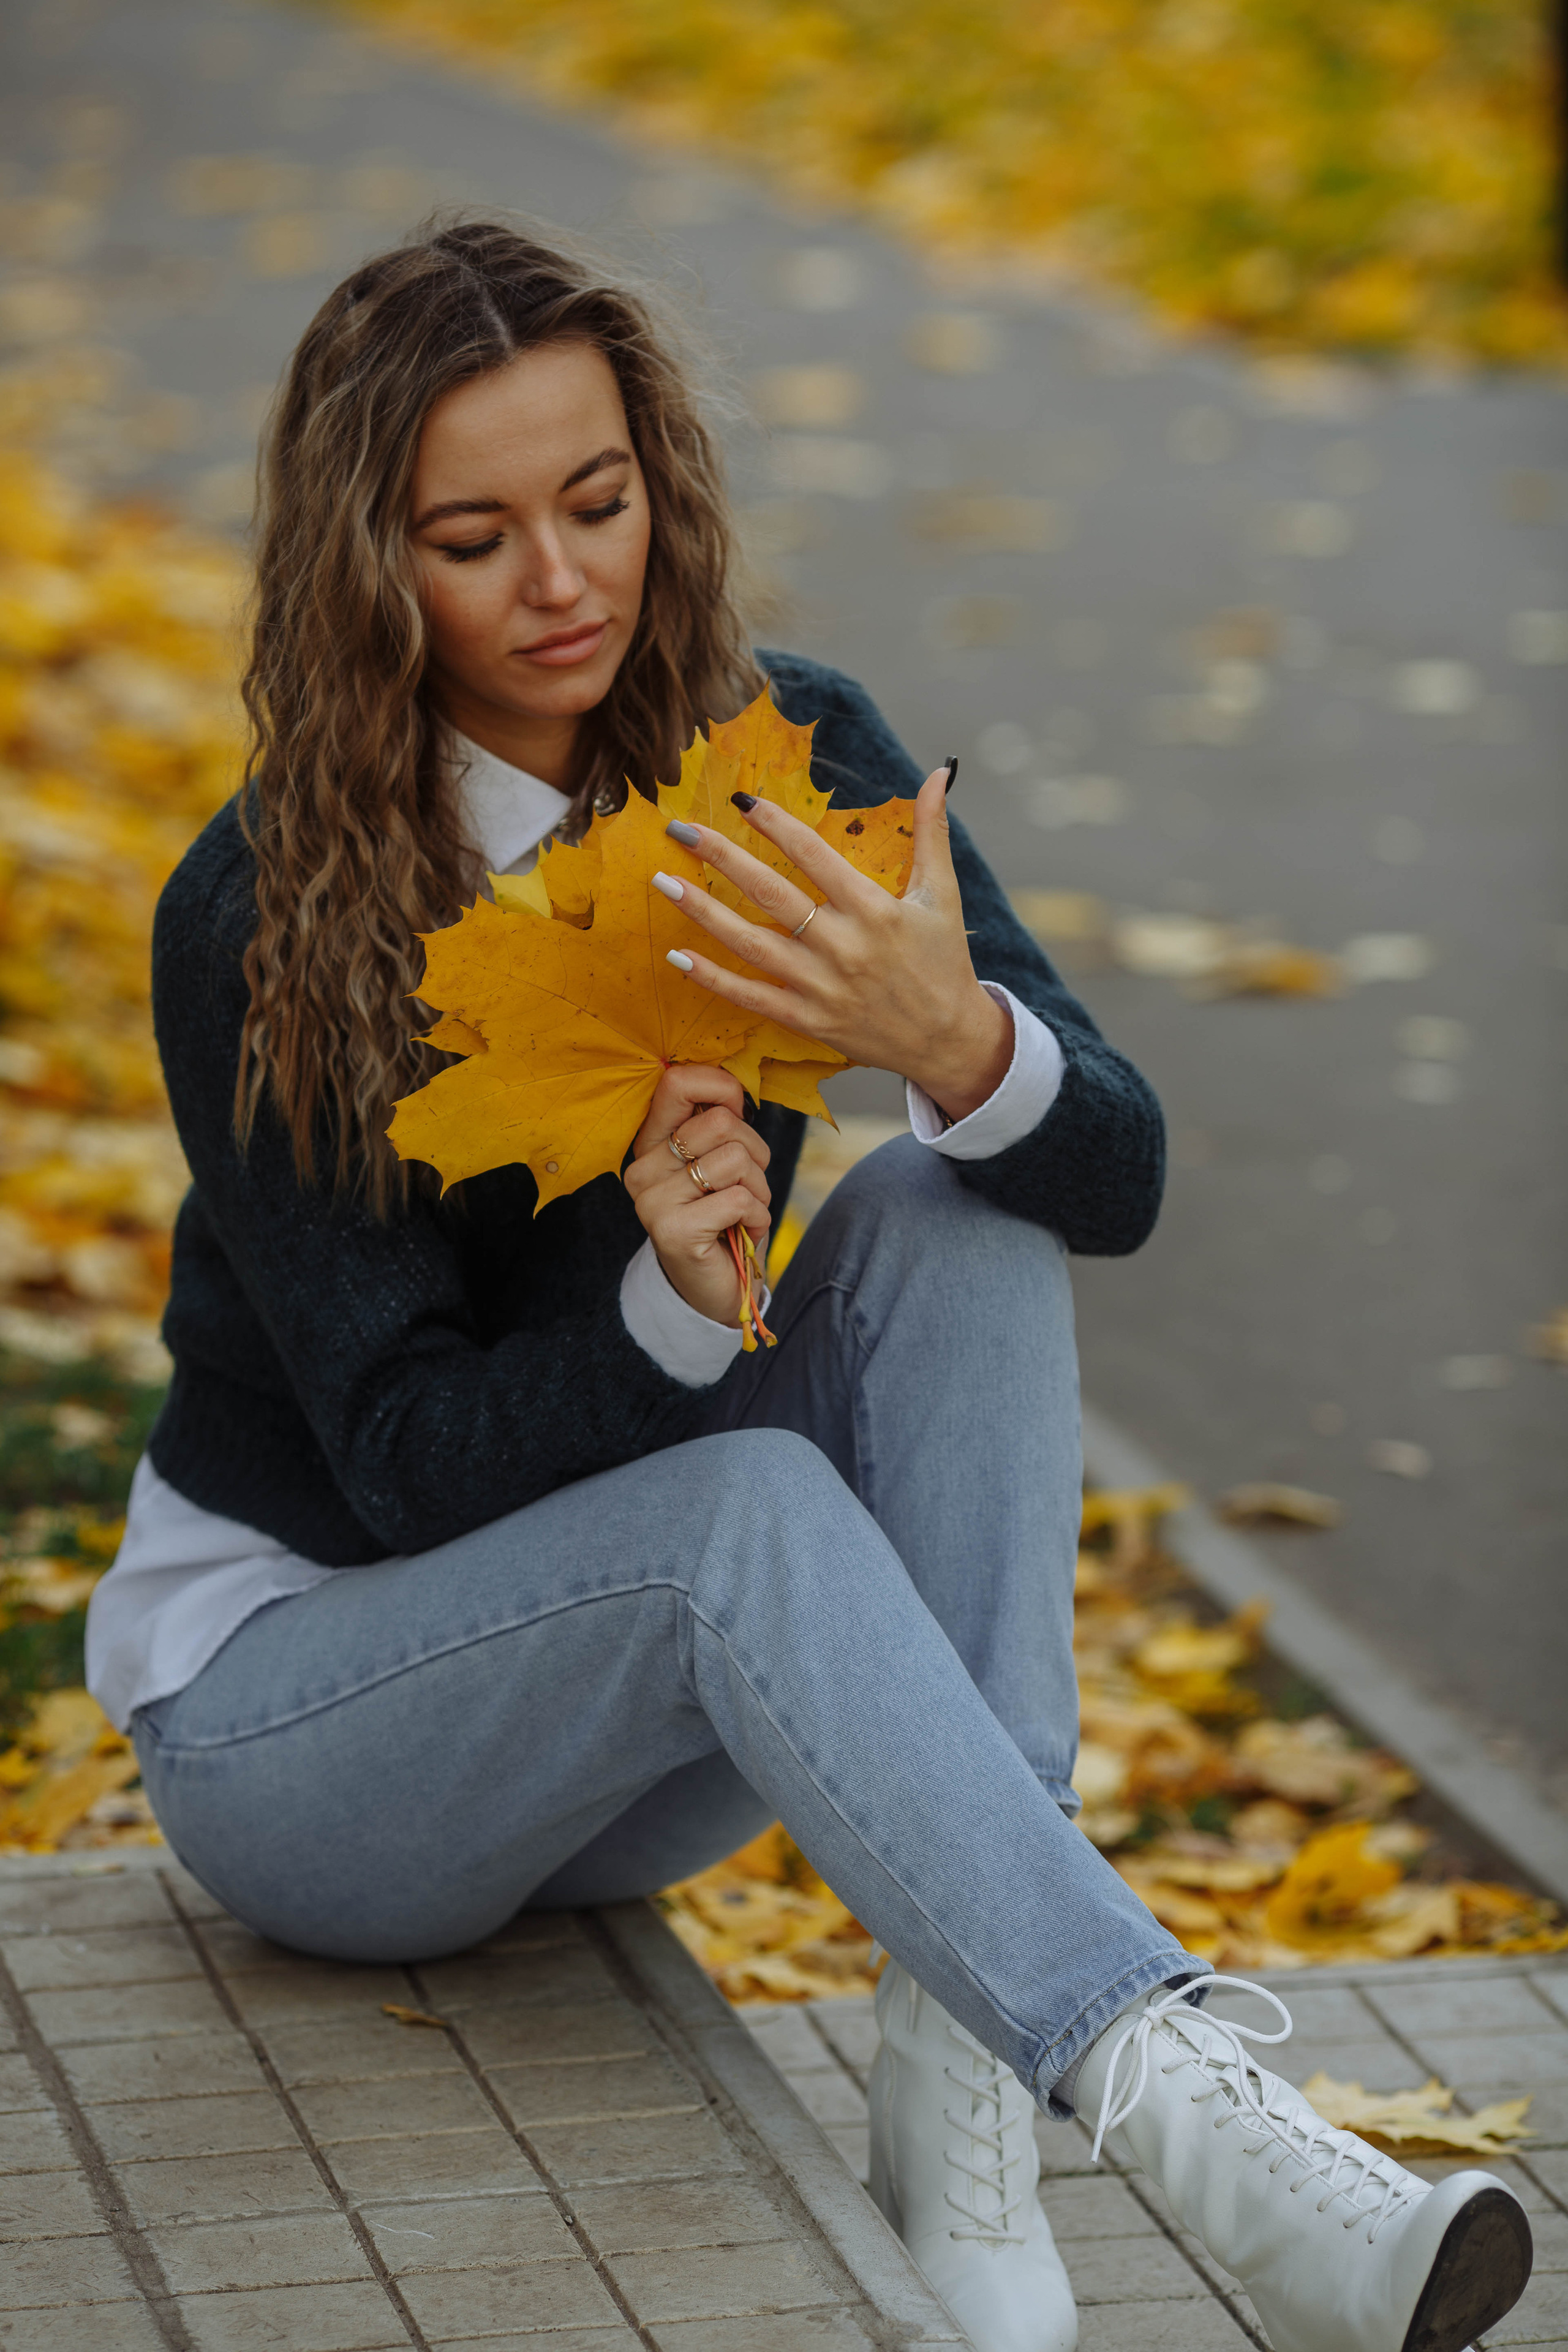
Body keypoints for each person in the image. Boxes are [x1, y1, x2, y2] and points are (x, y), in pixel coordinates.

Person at [86, 217, 1531, 2352]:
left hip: (625, 1733)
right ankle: (1202, 2127)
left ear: (660, 476)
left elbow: (1110, 1174)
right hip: (311, 1733)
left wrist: (952, 1046)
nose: (565, 582)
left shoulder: (799, 757)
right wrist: (671, 1309)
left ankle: (968, 2085)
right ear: (367, 567)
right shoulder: (273, 911)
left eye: (599, 502)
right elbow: (398, 1471)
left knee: (962, 1207)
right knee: (740, 1516)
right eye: (475, 536)